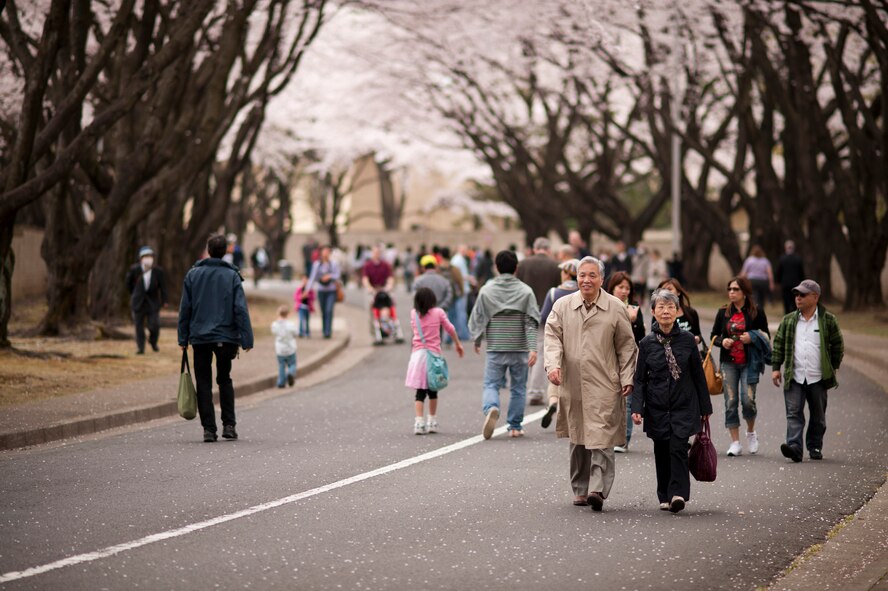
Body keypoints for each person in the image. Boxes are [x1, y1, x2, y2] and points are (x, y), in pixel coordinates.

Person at [544, 256, 638, 511]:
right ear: (576, 277)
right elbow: (551, 337)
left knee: (602, 436)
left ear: (602, 279)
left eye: (592, 275)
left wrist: (628, 377)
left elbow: (627, 346)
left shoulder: (615, 307)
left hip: (605, 381)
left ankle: (597, 489)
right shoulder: (563, 306)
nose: (586, 279)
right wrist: (552, 365)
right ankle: (580, 489)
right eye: (582, 275)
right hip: (573, 381)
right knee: (578, 437)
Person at [632, 289, 713, 513]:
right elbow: (639, 379)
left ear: (677, 312)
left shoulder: (687, 341)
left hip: (683, 404)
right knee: (661, 449)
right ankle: (664, 494)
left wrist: (705, 407)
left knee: (678, 446)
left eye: (670, 307)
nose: (666, 311)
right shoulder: (647, 343)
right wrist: (637, 408)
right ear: (653, 312)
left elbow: (698, 376)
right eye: (661, 307)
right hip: (657, 406)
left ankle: (678, 493)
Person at [178, 234, 254, 442]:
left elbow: (186, 309)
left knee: (203, 382)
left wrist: (182, 338)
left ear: (208, 250)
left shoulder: (193, 275)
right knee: (224, 379)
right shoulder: (232, 276)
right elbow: (240, 309)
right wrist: (247, 338)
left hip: (200, 337)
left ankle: (208, 429)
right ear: (226, 251)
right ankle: (229, 425)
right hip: (226, 337)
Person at [468, 250, 540, 438]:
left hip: (496, 347)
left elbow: (478, 316)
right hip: (519, 347)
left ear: (496, 267)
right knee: (518, 387)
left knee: (491, 384)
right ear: (516, 267)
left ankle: (491, 407)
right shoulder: (526, 291)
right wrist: (533, 347)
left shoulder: (487, 290)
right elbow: (531, 321)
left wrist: (476, 338)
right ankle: (515, 426)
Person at [771, 280, 844, 462]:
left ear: (815, 297)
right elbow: (779, 344)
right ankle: (795, 447)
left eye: (803, 295)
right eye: (796, 295)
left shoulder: (828, 320)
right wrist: (776, 368)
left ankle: (815, 446)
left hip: (817, 377)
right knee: (793, 413)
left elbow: (838, 345)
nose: (798, 298)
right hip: (794, 376)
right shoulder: (789, 320)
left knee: (818, 417)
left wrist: (832, 367)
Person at [710, 277, 771, 457]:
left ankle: (751, 432)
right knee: (730, 402)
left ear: (744, 291)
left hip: (750, 363)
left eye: (735, 289)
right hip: (729, 363)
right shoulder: (723, 312)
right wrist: (723, 341)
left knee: (748, 400)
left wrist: (752, 337)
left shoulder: (756, 311)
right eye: (729, 289)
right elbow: (714, 335)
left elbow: (766, 335)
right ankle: (735, 442)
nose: (731, 292)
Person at [405, 287, 465, 435]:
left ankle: (419, 422)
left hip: (418, 356)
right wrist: (458, 344)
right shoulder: (439, 312)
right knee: (433, 390)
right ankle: (432, 421)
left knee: (420, 391)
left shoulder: (414, 314)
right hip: (434, 356)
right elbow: (450, 329)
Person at [516, 237, 562, 405]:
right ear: (548, 249)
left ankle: (519, 387)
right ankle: (535, 391)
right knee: (540, 352)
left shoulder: (523, 264)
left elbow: (517, 287)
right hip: (545, 313)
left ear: (535, 249)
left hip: (525, 311)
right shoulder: (555, 265)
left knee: (523, 350)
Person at [606, 271, 646, 452]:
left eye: (627, 288)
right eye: (620, 287)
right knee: (608, 398)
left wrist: (632, 321)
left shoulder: (634, 307)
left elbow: (640, 338)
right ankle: (606, 436)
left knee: (627, 398)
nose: (624, 291)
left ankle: (623, 439)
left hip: (629, 358)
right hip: (606, 357)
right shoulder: (604, 305)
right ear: (612, 288)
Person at [538, 258, 579, 429]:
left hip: (557, 337)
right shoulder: (582, 292)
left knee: (555, 372)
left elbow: (544, 316)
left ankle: (553, 401)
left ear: (566, 273)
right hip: (577, 338)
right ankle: (572, 412)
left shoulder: (554, 292)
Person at [125, 246, 168, 355]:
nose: (148, 258)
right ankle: (141, 348)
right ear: (140, 258)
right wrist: (134, 294)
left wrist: (165, 301)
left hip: (153, 302)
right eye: (145, 256)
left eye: (150, 256)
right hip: (138, 302)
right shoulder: (134, 270)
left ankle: (153, 342)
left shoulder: (158, 271)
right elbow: (128, 284)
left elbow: (163, 287)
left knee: (154, 325)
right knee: (138, 326)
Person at [362, 244, 404, 344]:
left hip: (384, 290)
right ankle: (375, 335)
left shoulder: (385, 265)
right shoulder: (368, 265)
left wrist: (389, 286)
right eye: (375, 252)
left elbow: (390, 278)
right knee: (372, 312)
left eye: (378, 252)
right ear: (372, 253)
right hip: (373, 290)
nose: (376, 254)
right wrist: (369, 288)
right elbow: (365, 279)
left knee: (391, 309)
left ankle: (393, 331)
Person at [654, 278, 702, 346]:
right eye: (663, 290)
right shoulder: (658, 314)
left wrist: (697, 338)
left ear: (678, 292)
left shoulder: (691, 312)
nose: (666, 293)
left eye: (669, 289)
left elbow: (698, 334)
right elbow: (654, 337)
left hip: (688, 353)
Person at [306, 245, 341, 339]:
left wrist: (329, 276)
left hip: (331, 290)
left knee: (329, 310)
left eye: (327, 251)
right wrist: (307, 290)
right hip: (321, 290)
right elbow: (312, 277)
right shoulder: (317, 264)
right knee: (323, 311)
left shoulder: (334, 264)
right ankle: (324, 330)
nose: (325, 253)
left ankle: (328, 331)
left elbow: (337, 275)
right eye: (324, 251)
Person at [740, 244, 775, 310]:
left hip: (752, 281)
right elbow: (770, 273)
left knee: (753, 296)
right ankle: (760, 309)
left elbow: (743, 273)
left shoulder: (749, 260)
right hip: (763, 282)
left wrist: (740, 281)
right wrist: (771, 283)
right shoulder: (765, 261)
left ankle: (753, 309)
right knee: (761, 298)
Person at [271, 305, 298, 388]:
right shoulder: (291, 325)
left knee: (281, 366)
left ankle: (281, 382)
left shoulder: (275, 324)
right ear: (288, 314)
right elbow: (296, 333)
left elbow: (273, 332)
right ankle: (290, 372)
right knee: (292, 363)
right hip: (290, 348)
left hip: (280, 349)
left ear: (278, 313)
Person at [776, 240, 805, 314]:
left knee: (786, 300)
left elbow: (779, 271)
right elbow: (801, 272)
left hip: (785, 283)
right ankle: (795, 313)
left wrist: (778, 281)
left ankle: (787, 313)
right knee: (795, 299)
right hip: (796, 283)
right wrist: (802, 282)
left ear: (785, 248)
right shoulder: (798, 258)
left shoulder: (782, 258)